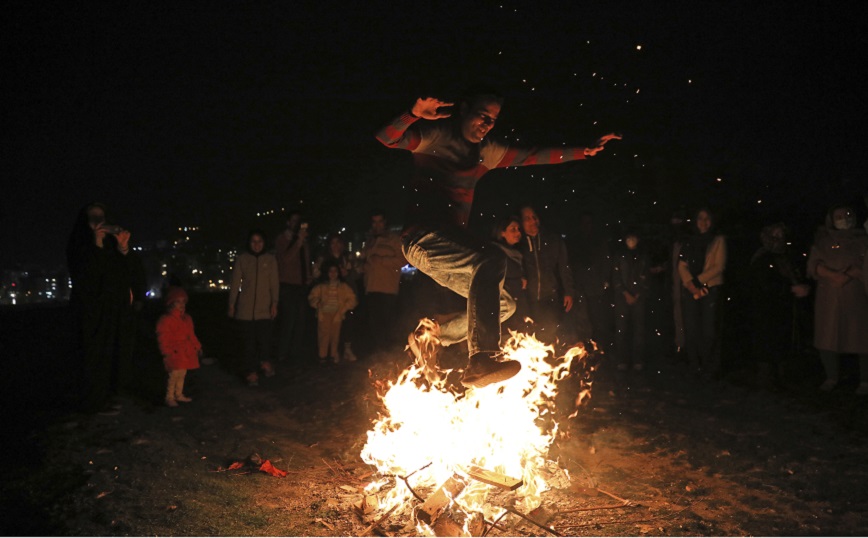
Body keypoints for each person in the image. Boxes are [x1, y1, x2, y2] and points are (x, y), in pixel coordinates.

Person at [375, 89, 619, 387]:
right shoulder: (437, 136)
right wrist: (412, 113)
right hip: (422, 238)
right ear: (464, 109)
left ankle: (433, 333)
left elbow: (532, 155)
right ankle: (481, 357)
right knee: (491, 258)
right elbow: (386, 138)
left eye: (492, 120)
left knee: (504, 306)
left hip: (443, 252)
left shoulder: (487, 152)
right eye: (482, 116)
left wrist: (584, 151)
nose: (487, 125)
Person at [65, 202, 143, 413]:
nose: (99, 219)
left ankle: (114, 393)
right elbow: (86, 275)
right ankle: (93, 399)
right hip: (91, 311)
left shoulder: (111, 241)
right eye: (93, 215)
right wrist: (96, 242)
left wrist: (123, 248)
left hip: (116, 308)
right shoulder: (79, 242)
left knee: (117, 352)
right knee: (94, 354)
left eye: (101, 215)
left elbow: (130, 270)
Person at [807, 204, 868, 394]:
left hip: (855, 296)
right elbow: (813, 264)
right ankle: (831, 376)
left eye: (848, 214)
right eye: (839, 216)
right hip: (829, 296)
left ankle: (865, 380)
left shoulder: (863, 239)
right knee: (827, 336)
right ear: (831, 220)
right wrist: (831, 275)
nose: (844, 218)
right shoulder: (823, 240)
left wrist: (851, 274)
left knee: (862, 337)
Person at [748, 223, 811, 389]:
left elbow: (795, 274)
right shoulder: (762, 257)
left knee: (783, 342)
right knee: (768, 344)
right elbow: (764, 284)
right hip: (767, 311)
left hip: (785, 309)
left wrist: (801, 287)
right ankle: (767, 379)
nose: (779, 238)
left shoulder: (787, 256)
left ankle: (784, 377)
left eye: (781, 234)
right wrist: (790, 289)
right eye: (774, 234)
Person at [677, 207, 727, 380]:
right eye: (700, 218)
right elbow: (682, 265)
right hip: (691, 289)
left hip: (710, 289)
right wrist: (691, 285)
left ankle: (708, 366)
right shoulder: (689, 241)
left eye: (707, 218)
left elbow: (718, 266)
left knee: (708, 330)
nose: (703, 222)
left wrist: (698, 282)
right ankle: (694, 364)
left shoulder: (718, 240)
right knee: (691, 328)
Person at [517, 204, 575, 344]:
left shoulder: (553, 240)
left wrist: (569, 291)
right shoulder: (519, 243)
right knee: (528, 334)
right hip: (527, 297)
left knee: (550, 330)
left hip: (550, 295)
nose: (532, 221)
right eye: (527, 218)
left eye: (534, 217)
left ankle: (550, 361)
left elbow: (564, 267)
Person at [228, 229, 280, 387]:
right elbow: (236, 283)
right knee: (248, 344)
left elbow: (274, 283)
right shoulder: (242, 259)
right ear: (249, 243)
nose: (257, 245)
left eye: (260, 241)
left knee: (264, 340)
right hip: (245, 310)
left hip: (264, 309)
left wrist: (274, 303)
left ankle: (265, 362)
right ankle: (251, 372)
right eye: (253, 241)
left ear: (264, 243)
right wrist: (232, 304)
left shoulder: (270, 260)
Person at [359, 210, 406, 355]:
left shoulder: (394, 239)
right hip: (371, 287)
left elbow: (403, 260)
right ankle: (379, 356)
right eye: (374, 222)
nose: (377, 225)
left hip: (388, 289)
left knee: (387, 325)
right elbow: (367, 262)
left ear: (385, 222)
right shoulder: (370, 241)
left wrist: (382, 261)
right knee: (374, 325)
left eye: (380, 221)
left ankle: (389, 356)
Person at [570, 210, 615, 351]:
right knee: (582, 319)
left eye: (588, 222)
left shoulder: (598, 241)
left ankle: (599, 348)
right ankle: (584, 349)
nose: (586, 225)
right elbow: (572, 264)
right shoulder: (576, 241)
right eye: (584, 223)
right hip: (580, 286)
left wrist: (604, 281)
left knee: (597, 319)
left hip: (595, 287)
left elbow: (606, 262)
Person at [313, 233, 360, 362]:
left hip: (346, 295)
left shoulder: (347, 257)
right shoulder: (324, 259)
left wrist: (348, 273)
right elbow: (317, 275)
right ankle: (329, 352)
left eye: (338, 242)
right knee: (328, 327)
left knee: (348, 322)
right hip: (329, 299)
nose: (335, 246)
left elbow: (357, 273)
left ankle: (346, 349)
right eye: (332, 243)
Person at [275, 210, 312, 366]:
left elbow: (306, 259)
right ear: (288, 222)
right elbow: (285, 260)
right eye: (293, 220)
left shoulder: (303, 240)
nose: (296, 224)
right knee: (288, 321)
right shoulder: (282, 239)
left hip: (302, 285)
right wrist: (298, 241)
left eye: (299, 221)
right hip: (288, 285)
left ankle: (295, 354)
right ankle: (282, 354)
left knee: (300, 321)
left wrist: (309, 274)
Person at [612, 227, 651, 372]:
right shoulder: (619, 255)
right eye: (629, 238)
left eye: (633, 238)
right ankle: (622, 360)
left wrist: (638, 294)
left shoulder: (643, 256)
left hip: (638, 299)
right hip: (622, 298)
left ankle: (638, 360)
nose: (631, 241)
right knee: (622, 330)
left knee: (639, 330)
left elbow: (646, 277)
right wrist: (625, 294)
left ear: (638, 239)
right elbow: (616, 277)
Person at [156, 287, 202, 407]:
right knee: (173, 375)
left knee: (182, 374)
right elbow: (163, 337)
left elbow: (191, 335)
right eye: (178, 302)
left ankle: (178, 394)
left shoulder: (186, 318)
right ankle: (169, 396)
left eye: (183, 302)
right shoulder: (166, 320)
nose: (181, 304)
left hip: (184, 352)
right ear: (171, 303)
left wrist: (197, 346)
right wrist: (165, 351)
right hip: (175, 351)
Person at [308, 260, 358, 364]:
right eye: (330, 271)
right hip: (324, 314)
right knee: (323, 335)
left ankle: (332, 355)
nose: (333, 273)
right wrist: (317, 304)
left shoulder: (343, 287)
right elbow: (312, 296)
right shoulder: (321, 286)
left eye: (335, 271)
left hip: (337, 314)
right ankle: (322, 355)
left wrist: (343, 309)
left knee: (335, 335)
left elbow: (352, 299)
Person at [492, 214, 529, 336]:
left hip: (515, 305)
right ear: (502, 232)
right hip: (502, 307)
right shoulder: (497, 253)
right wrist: (519, 282)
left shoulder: (516, 254)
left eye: (518, 229)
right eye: (513, 229)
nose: (517, 232)